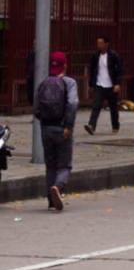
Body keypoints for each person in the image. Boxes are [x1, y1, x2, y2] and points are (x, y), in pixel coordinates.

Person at [34, 51, 79, 212]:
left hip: (46, 128)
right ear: (65, 65)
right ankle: (58, 188)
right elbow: (72, 104)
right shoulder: (70, 83)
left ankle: (51, 200)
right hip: (62, 128)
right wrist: (68, 125)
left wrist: (45, 123)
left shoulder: (43, 83)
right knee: (65, 165)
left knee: (50, 165)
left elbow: (36, 108)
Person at [84, 36, 122, 135]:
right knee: (96, 106)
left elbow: (119, 70)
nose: (99, 45)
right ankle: (91, 126)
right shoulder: (95, 56)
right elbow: (92, 70)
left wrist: (118, 83)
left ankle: (115, 126)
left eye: (101, 43)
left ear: (106, 44)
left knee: (113, 108)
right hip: (99, 84)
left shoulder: (113, 55)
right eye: (98, 43)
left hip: (111, 85)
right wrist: (91, 85)